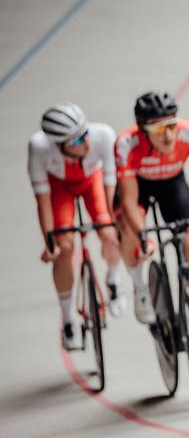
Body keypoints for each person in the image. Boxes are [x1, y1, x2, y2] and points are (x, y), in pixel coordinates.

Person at [115, 91, 189, 327]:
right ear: (143, 131)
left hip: (173, 187)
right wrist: (142, 236)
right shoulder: (126, 143)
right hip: (139, 189)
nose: (168, 135)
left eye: (171, 125)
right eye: (159, 130)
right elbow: (128, 200)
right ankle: (140, 286)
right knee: (129, 232)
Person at [28, 103, 124, 350]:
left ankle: (113, 279)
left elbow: (110, 184)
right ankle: (68, 317)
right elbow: (43, 200)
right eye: (78, 139)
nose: (86, 141)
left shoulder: (102, 134)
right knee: (65, 246)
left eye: (85, 133)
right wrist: (50, 242)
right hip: (60, 188)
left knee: (109, 233)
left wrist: (110, 223)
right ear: (59, 145)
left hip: (93, 183)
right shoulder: (39, 148)